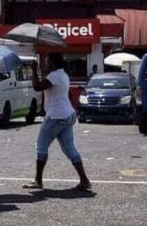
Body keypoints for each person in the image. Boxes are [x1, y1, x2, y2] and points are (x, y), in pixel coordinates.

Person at [24, 53, 91, 191]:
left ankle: (38, 180)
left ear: (53, 64)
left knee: (41, 146)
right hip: (68, 115)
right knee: (69, 148)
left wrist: (34, 70)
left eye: (47, 62)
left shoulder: (54, 76)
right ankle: (84, 180)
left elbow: (37, 87)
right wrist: (40, 72)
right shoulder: (63, 75)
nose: (45, 64)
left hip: (56, 116)